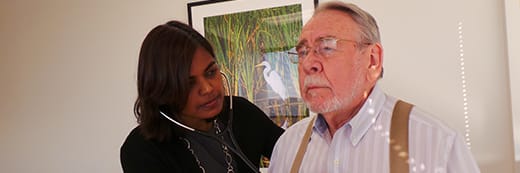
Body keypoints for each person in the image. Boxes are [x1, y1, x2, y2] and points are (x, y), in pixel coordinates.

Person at [268, 1, 480, 173]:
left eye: (326, 47)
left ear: (372, 60)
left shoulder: (436, 144)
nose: (308, 64)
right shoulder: (288, 146)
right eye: (303, 51)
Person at [120, 20, 284, 173]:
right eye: (189, 83)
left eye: (211, 72)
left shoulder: (242, 112)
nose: (207, 88)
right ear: (162, 91)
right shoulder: (141, 150)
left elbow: (295, 150)